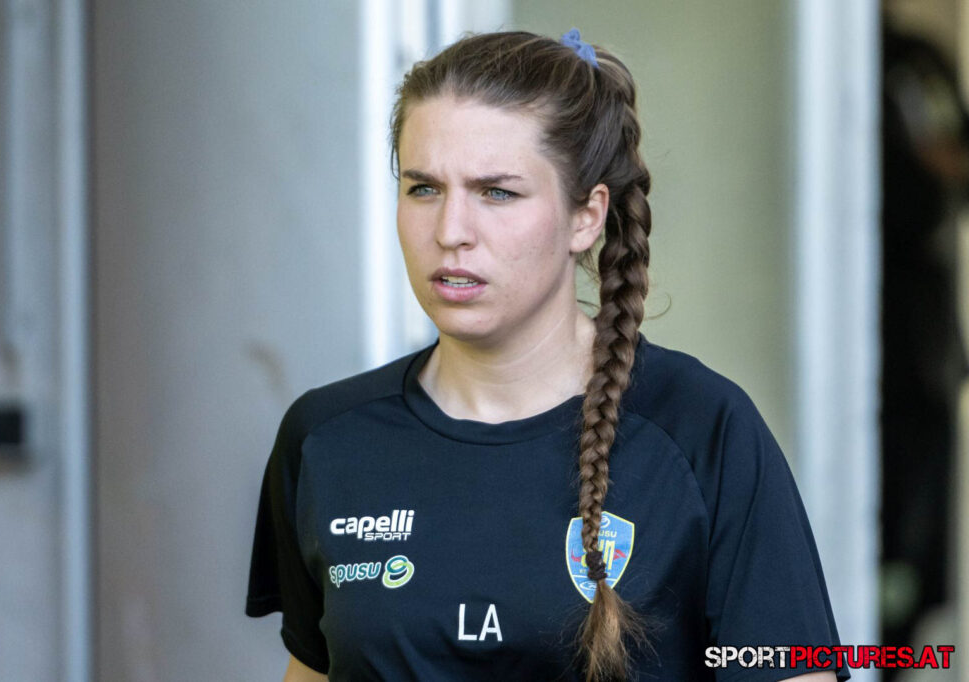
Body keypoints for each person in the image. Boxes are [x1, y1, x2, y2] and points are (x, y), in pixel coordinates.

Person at [246, 29, 849, 682]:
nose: (450, 232)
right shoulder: (327, 438)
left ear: (586, 216)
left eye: (497, 192)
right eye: (423, 189)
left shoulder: (702, 429)